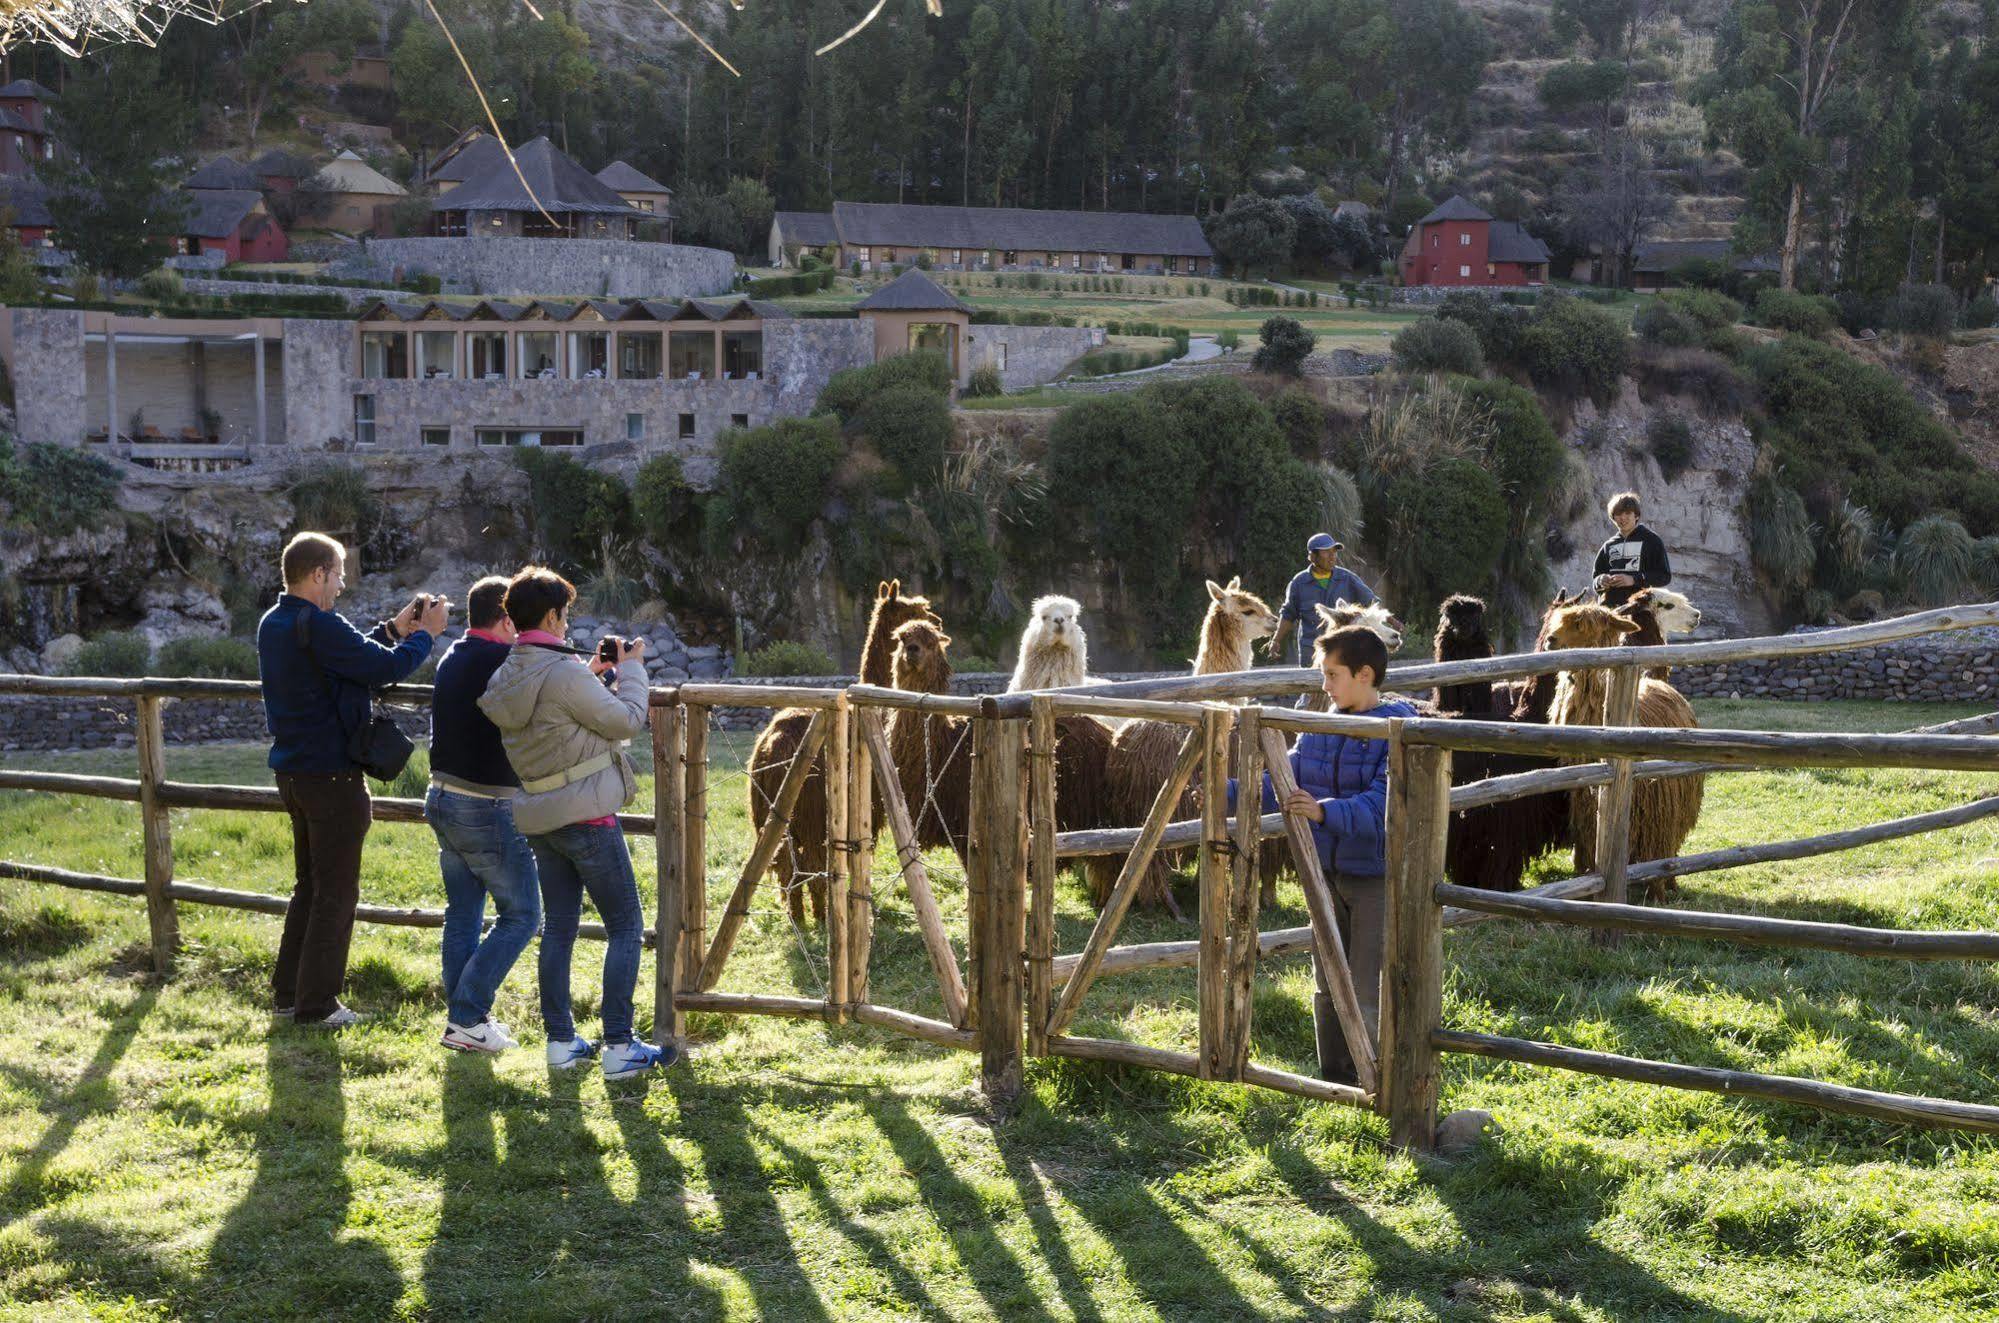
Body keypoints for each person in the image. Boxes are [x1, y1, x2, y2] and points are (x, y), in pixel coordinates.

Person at [477, 566, 673, 1082]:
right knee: (626, 926)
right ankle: (619, 1046)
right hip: (588, 816)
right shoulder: (561, 674)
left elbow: (557, 711)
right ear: (550, 614)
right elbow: (627, 720)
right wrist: (630, 670)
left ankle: (561, 1042)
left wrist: (591, 674)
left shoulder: (510, 674)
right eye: (565, 614)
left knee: (559, 929)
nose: (568, 623)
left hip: (540, 817)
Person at [257, 532, 445, 1028]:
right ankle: (317, 1005)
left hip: (293, 772)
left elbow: (345, 661)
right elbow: (381, 670)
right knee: (336, 893)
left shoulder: (275, 623)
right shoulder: (319, 624)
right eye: (338, 575)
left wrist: (390, 629)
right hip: (333, 777)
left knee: (309, 887)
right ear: (318, 573)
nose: (340, 585)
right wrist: (426, 635)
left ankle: (288, 995)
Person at [1230, 624, 1417, 1084]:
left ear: (1365, 674)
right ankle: (1335, 1074)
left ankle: (1374, 1077)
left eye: (1332, 675)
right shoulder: (1317, 732)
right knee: (1327, 977)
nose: (1324, 685)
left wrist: (1323, 812)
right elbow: (1282, 785)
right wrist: (1226, 794)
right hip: (1323, 875)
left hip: (1374, 877)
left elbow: (1383, 804)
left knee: (1366, 981)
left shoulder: (1397, 733)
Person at [425, 575, 538, 1054]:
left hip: (441, 796)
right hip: (483, 804)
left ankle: (466, 1024)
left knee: (464, 914)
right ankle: (468, 1015)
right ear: (507, 617)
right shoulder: (502, 661)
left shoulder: (454, 655)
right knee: (523, 915)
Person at [1267, 533, 1379, 668]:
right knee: (1311, 687)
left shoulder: (1347, 578)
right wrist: (1276, 640)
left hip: (1342, 650)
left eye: (1334, 551)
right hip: (1311, 651)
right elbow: (1288, 615)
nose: (1332, 556)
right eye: (1326, 552)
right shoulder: (1299, 583)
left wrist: (1393, 622)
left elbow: (1372, 602)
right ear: (1312, 556)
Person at [1591, 491, 1671, 609]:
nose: (1623, 518)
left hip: (1640, 611)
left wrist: (1634, 580)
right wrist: (1601, 581)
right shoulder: (1608, 546)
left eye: (1628, 513)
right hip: (1609, 612)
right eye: (1618, 514)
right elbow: (1595, 579)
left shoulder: (1652, 541)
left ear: (1636, 515)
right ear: (1613, 517)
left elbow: (1664, 576)